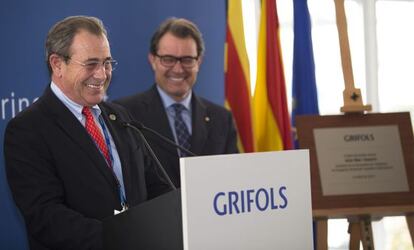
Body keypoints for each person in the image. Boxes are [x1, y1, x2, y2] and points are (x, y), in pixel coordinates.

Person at [4, 16, 153, 250]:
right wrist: (119, 238)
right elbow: (46, 217)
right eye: (91, 64)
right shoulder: (27, 130)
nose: (102, 74)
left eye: (106, 63)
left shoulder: (121, 116)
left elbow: (153, 183)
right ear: (57, 64)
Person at [115, 18, 238, 197]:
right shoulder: (125, 115)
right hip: (154, 222)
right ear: (153, 60)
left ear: (199, 62)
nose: (178, 69)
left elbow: (233, 179)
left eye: (187, 60)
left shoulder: (222, 118)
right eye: (168, 59)